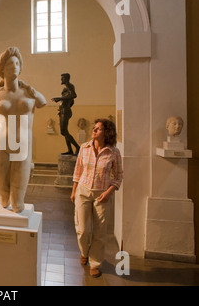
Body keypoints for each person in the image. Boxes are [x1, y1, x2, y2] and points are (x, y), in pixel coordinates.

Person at [0, 46, 47, 213]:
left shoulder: (28, 94)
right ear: (2, 69)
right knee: (4, 198)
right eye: (9, 63)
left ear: (20, 67)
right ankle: (4, 199)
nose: (14, 66)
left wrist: (31, 89)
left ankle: (17, 202)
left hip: (22, 142)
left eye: (17, 63)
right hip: (1, 142)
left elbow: (43, 102)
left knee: (17, 202)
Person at [70, 119, 123, 278]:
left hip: (102, 195)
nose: (94, 130)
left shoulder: (113, 152)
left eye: (98, 128)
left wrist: (109, 192)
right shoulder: (84, 148)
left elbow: (119, 175)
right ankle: (84, 252)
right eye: (94, 127)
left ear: (107, 133)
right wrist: (73, 191)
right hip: (83, 192)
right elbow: (77, 171)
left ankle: (95, 263)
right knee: (83, 229)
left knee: (100, 232)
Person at [52, 73, 80, 155]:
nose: (61, 80)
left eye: (63, 78)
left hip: (65, 110)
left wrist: (60, 99)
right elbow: (71, 100)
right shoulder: (67, 87)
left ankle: (78, 147)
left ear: (67, 78)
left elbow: (74, 95)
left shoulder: (70, 85)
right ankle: (70, 150)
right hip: (63, 110)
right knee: (64, 131)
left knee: (64, 131)